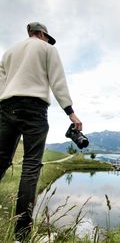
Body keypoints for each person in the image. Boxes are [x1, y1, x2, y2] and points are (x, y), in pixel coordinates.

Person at [0, 22, 82, 241]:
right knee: (30, 167)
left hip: (6, 107)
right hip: (34, 108)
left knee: (0, 161)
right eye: (47, 37)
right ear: (41, 34)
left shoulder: (8, 53)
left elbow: (1, 84)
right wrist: (71, 113)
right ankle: (21, 234)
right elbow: (58, 82)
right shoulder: (47, 49)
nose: (48, 41)